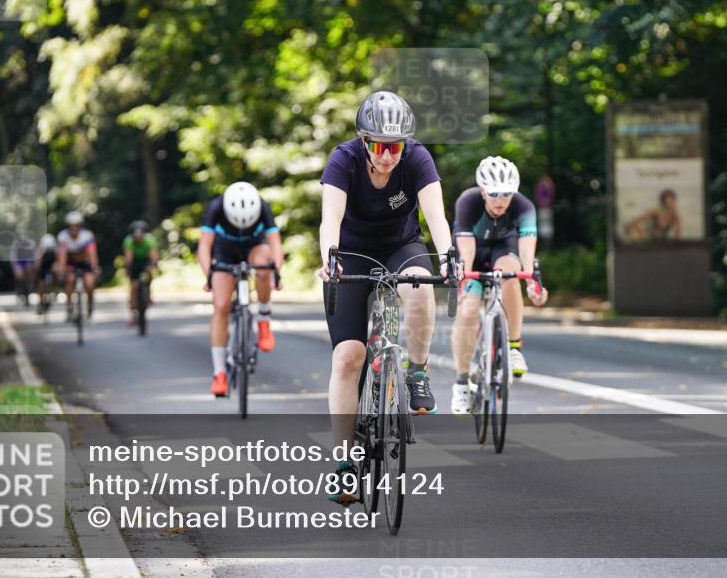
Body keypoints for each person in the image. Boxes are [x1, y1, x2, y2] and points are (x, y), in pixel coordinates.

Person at [317, 90, 454, 502]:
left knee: (419, 284)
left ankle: (417, 373)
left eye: (395, 147)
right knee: (348, 356)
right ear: (364, 141)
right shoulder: (343, 160)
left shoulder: (416, 158)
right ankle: (345, 466)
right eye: (379, 147)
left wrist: (449, 257)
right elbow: (330, 219)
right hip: (352, 253)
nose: (388, 156)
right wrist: (330, 259)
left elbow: (436, 215)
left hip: (401, 246)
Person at [449, 156, 548, 415]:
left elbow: (526, 251)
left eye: (506, 194)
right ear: (482, 191)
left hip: (504, 249)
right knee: (468, 310)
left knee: (510, 276)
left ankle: (513, 347)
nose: (500, 200)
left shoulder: (524, 206)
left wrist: (532, 283)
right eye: (493, 194)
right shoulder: (468, 202)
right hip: (473, 251)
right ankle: (461, 383)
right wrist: (464, 281)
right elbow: (466, 252)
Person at [198, 182, 283, 397]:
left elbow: (275, 244)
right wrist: (209, 275)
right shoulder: (216, 206)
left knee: (264, 266)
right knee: (221, 306)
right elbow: (204, 246)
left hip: (255, 246)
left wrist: (276, 273)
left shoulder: (263, 206)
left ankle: (264, 319)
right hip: (224, 250)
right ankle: (219, 373)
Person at [56, 211, 99, 320]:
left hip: (85, 262)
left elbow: (92, 253)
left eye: (77, 225)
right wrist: (61, 269)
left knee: (89, 283)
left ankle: (90, 305)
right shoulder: (63, 236)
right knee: (70, 280)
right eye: (71, 226)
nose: (74, 228)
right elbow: (62, 255)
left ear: (81, 225)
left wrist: (95, 266)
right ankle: (69, 307)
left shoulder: (87, 235)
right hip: (71, 263)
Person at [123, 220, 159, 326]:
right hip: (135, 261)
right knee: (134, 287)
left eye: (140, 236)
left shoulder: (150, 240)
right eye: (136, 237)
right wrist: (128, 268)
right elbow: (128, 258)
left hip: (146, 260)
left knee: (149, 272)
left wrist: (153, 264)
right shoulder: (128, 241)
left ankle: (148, 292)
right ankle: (133, 314)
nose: (138, 238)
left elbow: (154, 256)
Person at [9, 235, 38, 305]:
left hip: (27, 260)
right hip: (19, 261)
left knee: (30, 273)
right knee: (19, 275)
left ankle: (31, 285)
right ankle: (19, 288)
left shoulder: (31, 244)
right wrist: (16, 267)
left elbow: (35, 255)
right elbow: (13, 257)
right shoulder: (16, 246)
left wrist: (32, 265)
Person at [34, 234, 59, 314]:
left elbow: (58, 260)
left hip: (51, 268)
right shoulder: (40, 250)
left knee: (56, 273)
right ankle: (40, 301)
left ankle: (55, 288)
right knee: (41, 284)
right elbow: (37, 263)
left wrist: (56, 266)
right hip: (43, 268)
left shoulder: (55, 250)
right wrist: (37, 266)